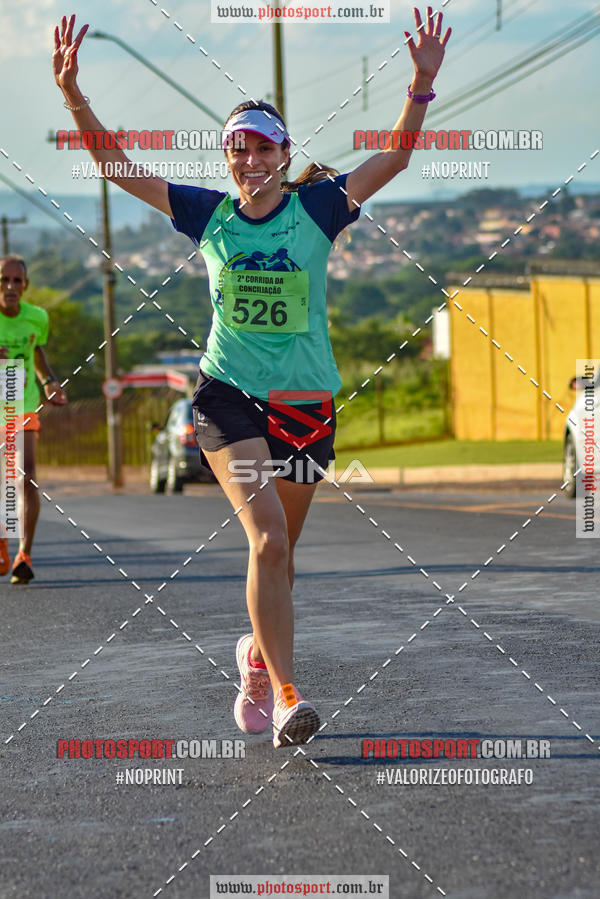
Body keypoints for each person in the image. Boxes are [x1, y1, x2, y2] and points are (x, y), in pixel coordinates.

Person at [53, 8, 450, 746]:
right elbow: (117, 167)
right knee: (266, 540)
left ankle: (255, 657)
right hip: (227, 395)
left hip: (305, 402)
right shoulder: (208, 216)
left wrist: (420, 85)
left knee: (283, 557)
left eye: (261, 146)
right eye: (236, 147)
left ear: (282, 152)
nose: (248, 158)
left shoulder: (319, 209)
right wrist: (73, 95)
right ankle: (291, 694)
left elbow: (393, 158)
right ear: (227, 157)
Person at [0, 256, 67, 584]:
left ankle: (23, 554)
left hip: (21, 405)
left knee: (25, 477)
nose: (10, 287)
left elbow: (37, 351)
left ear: (25, 285)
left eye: (16, 281)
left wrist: (49, 381)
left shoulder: (37, 317)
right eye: (3, 280)